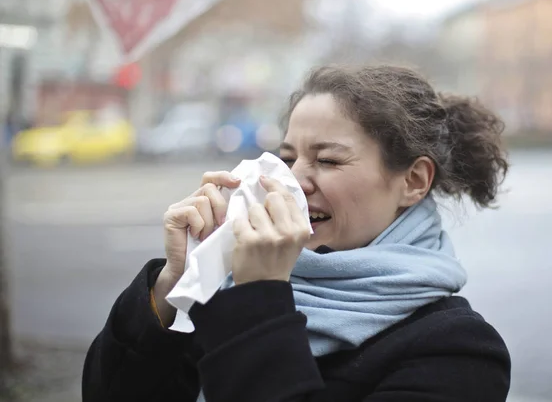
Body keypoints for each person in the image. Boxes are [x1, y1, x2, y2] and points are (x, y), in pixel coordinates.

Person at [82, 65, 511, 402]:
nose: (292, 182)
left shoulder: (458, 349)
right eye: (286, 158)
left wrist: (260, 295)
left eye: (327, 160)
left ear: (413, 180)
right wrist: (176, 280)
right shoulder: (221, 287)